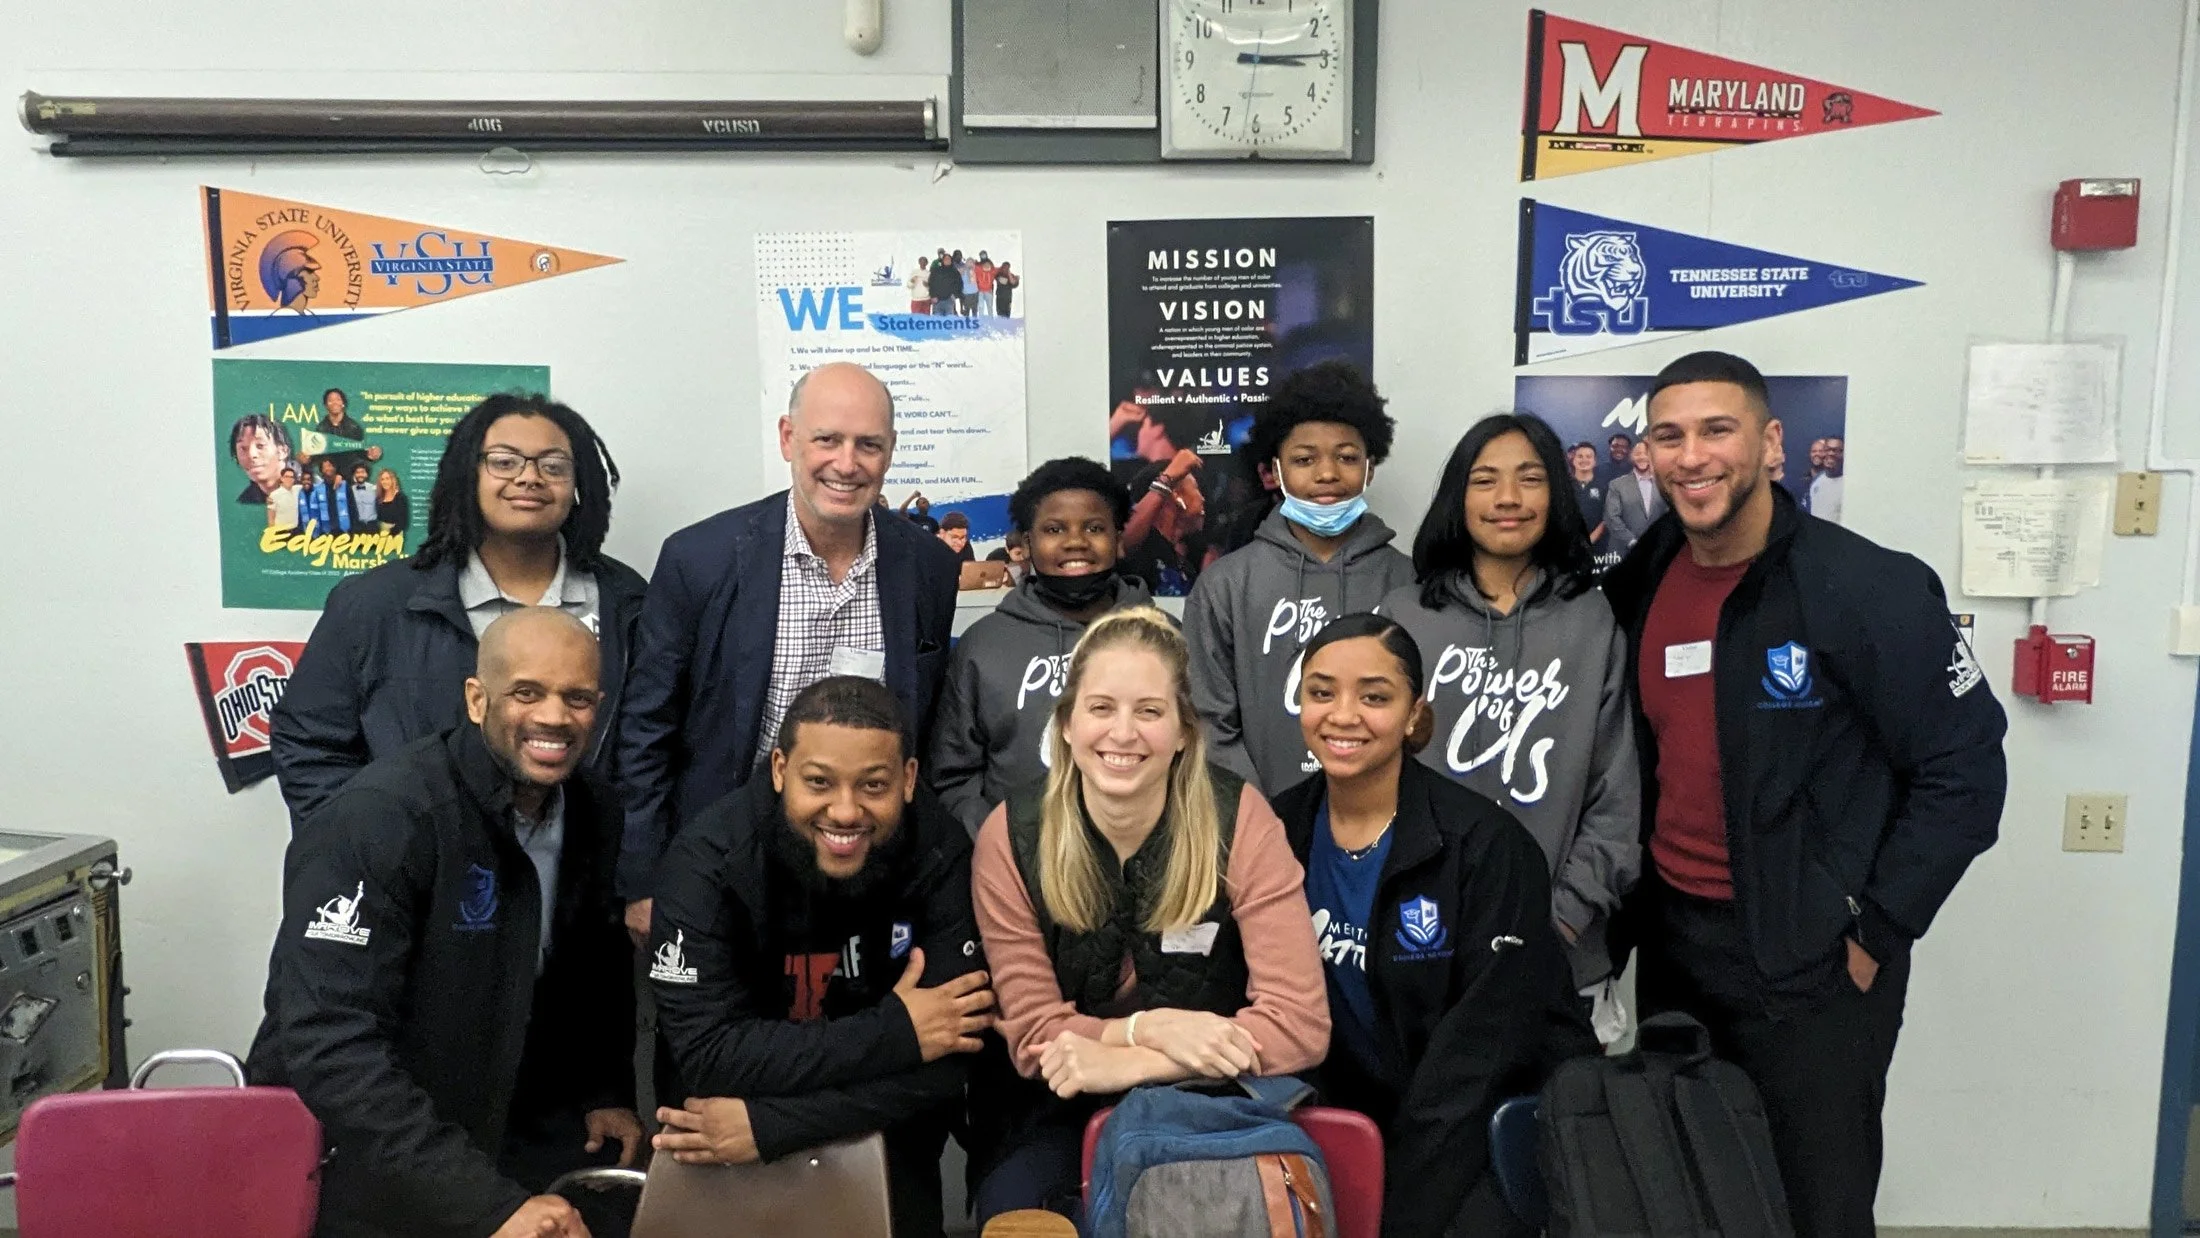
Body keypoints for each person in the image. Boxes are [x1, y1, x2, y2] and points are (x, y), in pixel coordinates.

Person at [1602, 351, 2007, 1238]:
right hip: (1677, 944)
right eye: (1668, 435)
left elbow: (1967, 769)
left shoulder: (1869, 586)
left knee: (1816, 1200)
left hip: (1816, 960)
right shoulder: (1648, 575)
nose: (1692, 456)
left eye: (1718, 429)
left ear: (1771, 442)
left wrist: (1876, 927)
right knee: (1686, 1187)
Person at [247, 608, 643, 1238]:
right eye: (526, 693)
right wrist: (484, 1205)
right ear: (476, 700)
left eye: (577, 698)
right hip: (361, 1159)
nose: (553, 717)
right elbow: (328, 1044)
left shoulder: (594, 808)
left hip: (501, 1123)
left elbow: (590, 964)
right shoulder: (383, 818)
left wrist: (602, 1090)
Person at [968, 607, 1329, 1225]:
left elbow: (1299, 1025)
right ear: (1067, 724)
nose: (1124, 733)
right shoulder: (1011, 835)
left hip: (1215, 1104)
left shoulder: (1241, 822)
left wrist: (1136, 1062)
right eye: (1101, 708)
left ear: (1185, 730)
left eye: (1150, 711)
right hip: (1055, 1109)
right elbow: (1033, 1037)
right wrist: (1147, 1028)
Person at [1272, 614, 1593, 1238]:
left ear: (1416, 714)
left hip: (1485, 1129)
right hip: (1347, 1125)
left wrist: (1394, 1208)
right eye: (1321, 692)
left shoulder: (1487, 848)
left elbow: (1479, 1058)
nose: (1343, 714)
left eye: (1374, 696)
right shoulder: (1274, 832)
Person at [618, 361, 960, 946]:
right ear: (787, 438)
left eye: (868, 445)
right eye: (827, 439)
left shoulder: (927, 566)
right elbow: (646, 729)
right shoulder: (698, 560)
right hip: (724, 861)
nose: (846, 464)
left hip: (866, 860)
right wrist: (645, 879)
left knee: (857, 1031)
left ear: (891, 451)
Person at [647, 677, 992, 1238]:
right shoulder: (706, 860)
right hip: (720, 1150)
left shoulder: (941, 850)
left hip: (880, 1145)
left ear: (907, 779)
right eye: (819, 782)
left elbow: (955, 1061)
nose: (846, 810)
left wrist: (771, 1124)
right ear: (781, 770)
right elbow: (709, 1056)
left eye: (873, 785)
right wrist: (898, 1033)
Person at [271, 394, 646, 827]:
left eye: (553, 466)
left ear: (579, 483)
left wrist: (633, 871)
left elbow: (653, 753)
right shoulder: (374, 604)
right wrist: (368, 848)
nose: (529, 478)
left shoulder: (628, 604)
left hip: (583, 881)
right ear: (466, 475)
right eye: (504, 462)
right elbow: (309, 744)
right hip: (422, 881)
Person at [1380, 413, 1641, 1027]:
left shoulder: (1591, 619)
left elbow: (1616, 795)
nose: (1507, 499)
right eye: (1485, 480)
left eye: (1529, 479)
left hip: (1559, 954)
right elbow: (1369, 782)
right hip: (1421, 948)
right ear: (1457, 496)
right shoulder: (1404, 616)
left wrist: (1564, 919)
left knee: (1550, 1122)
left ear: (1556, 492)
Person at [1185, 360, 1413, 796]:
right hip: (1257, 830)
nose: (1327, 474)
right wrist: (1259, 820)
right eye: (1304, 459)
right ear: (1276, 469)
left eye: (1347, 457)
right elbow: (1209, 721)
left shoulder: (1407, 581)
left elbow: (1418, 717)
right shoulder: (1226, 585)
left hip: (1384, 820)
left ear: (1370, 467)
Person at [930, 458, 1153, 834]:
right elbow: (953, 777)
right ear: (1028, 544)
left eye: (1095, 527)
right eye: (1054, 529)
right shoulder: (983, 647)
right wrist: (999, 845)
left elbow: (1193, 758)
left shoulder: (1163, 642)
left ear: (1118, 541)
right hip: (1015, 871)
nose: (1076, 541)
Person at [1112, 401, 1207, 597]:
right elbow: (1121, 544)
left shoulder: (1185, 565)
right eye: (1196, 489)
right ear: (1175, 495)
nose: (1203, 498)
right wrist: (1168, 478)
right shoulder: (1140, 553)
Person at [1603, 437, 1664, 558]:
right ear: (1631, 456)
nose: (1642, 457)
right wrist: (1632, 541)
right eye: (1638, 453)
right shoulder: (1617, 485)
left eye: (1646, 453)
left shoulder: (1664, 484)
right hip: (1623, 553)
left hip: (1658, 552)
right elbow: (1611, 517)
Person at [232, 414, 295, 505]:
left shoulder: (308, 486)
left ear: (283, 451)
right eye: (243, 448)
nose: (251, 455)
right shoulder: (246, 500)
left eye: (260, 446)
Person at [1566, 442, 1607, 554]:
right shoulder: (1564, 486)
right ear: (1573, 460)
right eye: (1580, 456)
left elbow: (1607, 518)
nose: (1584, 460)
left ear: (1595, 461)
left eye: (1588, 456)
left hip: (1598, 547)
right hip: (1568, 545)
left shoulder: (1605, 486)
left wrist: (1589, 541)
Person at [1808, 435, 1846, 523]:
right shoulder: (1816, 480)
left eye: (1837, 450)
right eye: (1827, 449)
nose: (1831, 453)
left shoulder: (1848, 483)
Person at [376, 468, 410, 536]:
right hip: (380, 536)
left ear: (392, 480)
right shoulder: (378, 498)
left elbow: (403, 522)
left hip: (395, 536)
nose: (385, 481)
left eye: (387, 478)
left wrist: (389, 533)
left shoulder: (400, 497)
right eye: (382, 479)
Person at [268, 466, 302, 531]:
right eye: (286, 477)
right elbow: (271, 519)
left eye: (291, 477)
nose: (289, 479)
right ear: (282, 478)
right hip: (281, 532)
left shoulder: (297, 489)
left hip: (296, 531)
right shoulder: (274, 495)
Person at [350, 463, 381, 531]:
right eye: (357, 472)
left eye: (362, 472)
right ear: (354, 475)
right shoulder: (350, 490)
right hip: (357, 527)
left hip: (372, 526)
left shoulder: (375, 489)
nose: (360, 475)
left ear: (367, 474)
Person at [975, 251, 998, 316]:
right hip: (980, 289)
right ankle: (981, 319)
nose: (983, 256)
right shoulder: (978, 264)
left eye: (984, 255)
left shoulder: (990, 263)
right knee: (980, 306)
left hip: (989, 289)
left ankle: (990, 319)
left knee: (989, 306)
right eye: (981, 255)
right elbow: (974, 267)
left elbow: (995, 271)